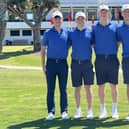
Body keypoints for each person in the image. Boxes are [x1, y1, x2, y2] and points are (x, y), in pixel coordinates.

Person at [41, 10, 69, 120]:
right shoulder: (48, 33)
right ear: (53, 20)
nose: (57, 20)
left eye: (59, 18)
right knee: (50, 89)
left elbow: (69, 45)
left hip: (63, 63)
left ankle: (64, 111)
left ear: (62, 20)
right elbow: (43, 50)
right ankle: (51, 112)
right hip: (51, 63)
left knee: (63, 89)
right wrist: (43, 65)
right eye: (55, 18)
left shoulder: (66, 32)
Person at [92, 5, 119, 119]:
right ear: (98, 14)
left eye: (106, 12)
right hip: (100, 59)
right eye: (102, 12)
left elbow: (117, 42)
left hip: (112, 59)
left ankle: (114, 110)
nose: (103, 13)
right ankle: (103, 110)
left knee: (113, 85)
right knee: (101, 86)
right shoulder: (94, 27)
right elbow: (92, 43)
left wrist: (111, 51)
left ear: (108, 14)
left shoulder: (114, 26)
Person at [69, 11, 94, 119]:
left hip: (87, 64)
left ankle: (89, 110)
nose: (80, 20)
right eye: (78, 19)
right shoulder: (71, 34)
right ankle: (78, 110)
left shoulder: (90, 33)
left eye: (82, 19)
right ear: (75, 20)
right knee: (77, 88)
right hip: (75, 64)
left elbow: (95, 46)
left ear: (85, 20)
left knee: (88, 87)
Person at [117, 4, 129, 121]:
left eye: (128, 12)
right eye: (125, 12)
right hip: (126, 59)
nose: (127, 14)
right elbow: (117, 44)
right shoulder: (120, 29)